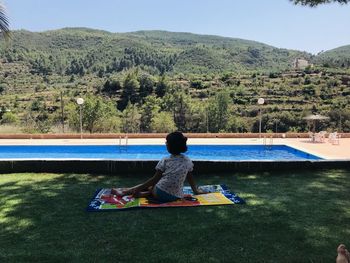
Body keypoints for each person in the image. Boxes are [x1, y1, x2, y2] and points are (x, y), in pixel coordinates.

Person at [111, 131, 206, 202]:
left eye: (166, 142)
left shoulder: (165, 160)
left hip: (159, 193)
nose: (166, 144)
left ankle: (124, 192)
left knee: (151, 186)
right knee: (154, 187)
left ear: (169, 146)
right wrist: (195, 190)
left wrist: (138, 189)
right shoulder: (187, 161)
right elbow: (189, 177)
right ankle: (144, 193)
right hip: (176, 196)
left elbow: (154, 179)